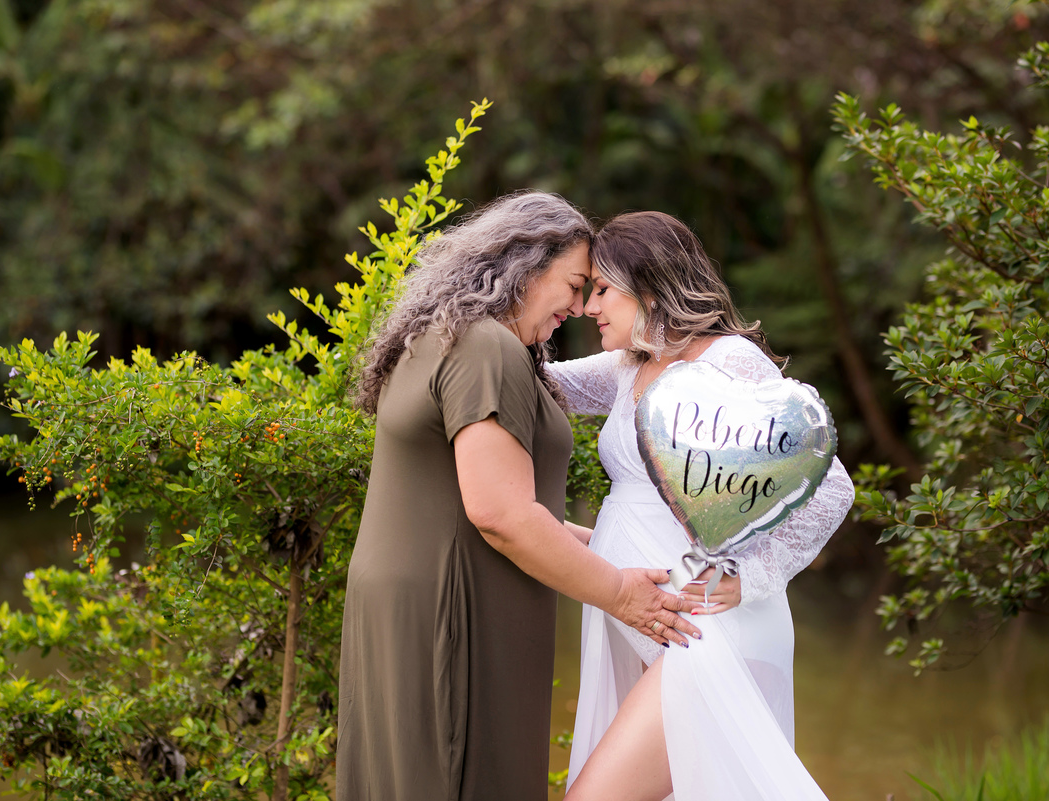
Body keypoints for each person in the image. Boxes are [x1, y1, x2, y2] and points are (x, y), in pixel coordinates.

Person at [337, 193, 702, 801]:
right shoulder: (488, 348)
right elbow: (501, 514)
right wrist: (621, 597)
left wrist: (597, 542)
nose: (581, 307)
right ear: (526, 266)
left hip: (411, 596)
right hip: (458, 605)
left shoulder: (441, 334)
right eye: (575, 284)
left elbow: (472, 497)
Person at [548, 211, 855, 801]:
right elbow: (536, 383)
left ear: (651, 288)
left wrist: (751, 572)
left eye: (604, 290)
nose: (589, 307)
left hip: (705, 627)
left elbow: (830, 485)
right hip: (646, 617)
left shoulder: (727, 362)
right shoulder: (627, 367)